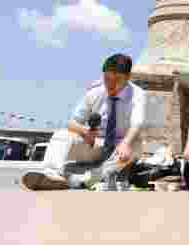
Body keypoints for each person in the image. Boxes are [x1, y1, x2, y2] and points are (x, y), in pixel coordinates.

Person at [21, 54, 146, 191]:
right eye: (107, 78)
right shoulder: (95, 93)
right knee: (62, 135)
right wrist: (84, 131)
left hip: (122, 146)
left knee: (134, 145)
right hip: (97, 144)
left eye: (117, 80)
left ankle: (86, 180)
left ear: (128, 78)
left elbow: (137, 123)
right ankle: (52, 175)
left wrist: (125, 144)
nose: (111, 84)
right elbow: (72, 123)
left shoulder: (138, 94)